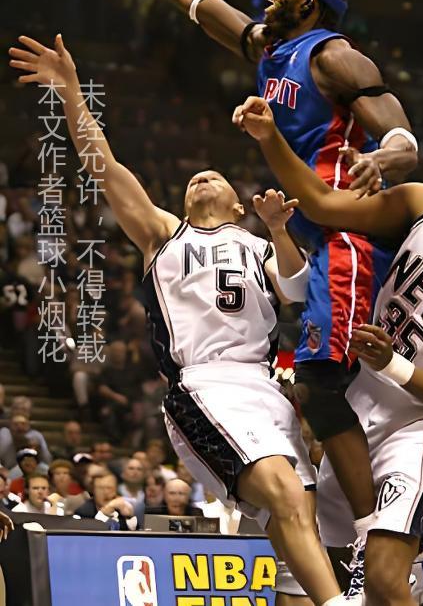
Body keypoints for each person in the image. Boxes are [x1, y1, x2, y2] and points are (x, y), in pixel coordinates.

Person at [86, 0, 418, 568]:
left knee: (321, 386)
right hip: (316, 239)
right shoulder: (271, 50)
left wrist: (384, 156)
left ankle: (387, 543)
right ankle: (374, 540)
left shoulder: (332, 54)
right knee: (328, 391)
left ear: (309, 0)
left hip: (348, 234)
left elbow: (400, 133)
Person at [9, 35, 347, 606]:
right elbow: (104, 166)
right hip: (204, 384)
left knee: (297, 535)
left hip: (266, 389)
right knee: (288, 498)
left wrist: (279, 230)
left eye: (215, 176)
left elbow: (296, 292)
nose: (200, 179)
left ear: (238, 204)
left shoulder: (258, 244)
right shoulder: (163, 234)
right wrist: (70, 92)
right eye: (194, 179)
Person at [233, 96, 423, 606]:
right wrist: (271, 137)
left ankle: (419, 564)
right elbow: (323, 204)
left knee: (381, 576)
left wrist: (394, 365)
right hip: (359, 407)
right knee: (328, 575)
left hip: (420, 429)